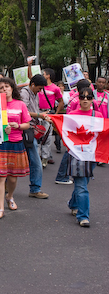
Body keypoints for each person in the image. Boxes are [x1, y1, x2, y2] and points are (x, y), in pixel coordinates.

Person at [0, 78, 31, 219]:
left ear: (12, 88)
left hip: (16, 143)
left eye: (7, 86)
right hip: (0, 143)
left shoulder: (20, 104)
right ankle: (0, 208)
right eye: (1, 87)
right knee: (0, 176)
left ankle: (10, 196)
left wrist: (18, 126)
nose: (4, 89)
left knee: (13, 178)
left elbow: (27, 123)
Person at [66, 87, 102, 227]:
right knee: (81, 185)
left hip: (92, 154)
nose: (85, 99)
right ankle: (83, 216)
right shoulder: (72, 114)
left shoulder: (98, 115)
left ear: (93, 99)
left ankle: (73, 203)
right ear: (78, 99)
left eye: (88, 97)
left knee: (83, 183)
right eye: (82, 97)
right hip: (76, 153)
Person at [20, 74, 50, 198]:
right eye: (40, 87)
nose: (41, 90)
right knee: (34, 161)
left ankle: (34, 188)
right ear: (33, 84)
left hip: (31, 129)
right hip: (24, 130)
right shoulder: (24, 93)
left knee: (32, 160)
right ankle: (34, 188)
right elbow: (24, 111)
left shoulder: (34, 94)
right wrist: (39, 115)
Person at [38, 68, 64, 167]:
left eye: (43, 74)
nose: (42, 75)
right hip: (38, 112)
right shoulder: (40, 87)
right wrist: (29, 65)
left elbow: (61, 101)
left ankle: (45, 158)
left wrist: (56, 113)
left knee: (47, 137)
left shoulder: (55, 88)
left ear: (48, 76)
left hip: (48, 113)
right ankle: (38, 156)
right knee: (37, 135)